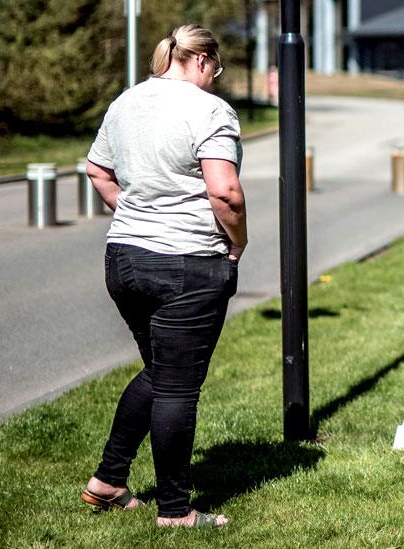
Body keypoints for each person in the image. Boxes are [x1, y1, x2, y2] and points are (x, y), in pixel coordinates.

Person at [78, 24, 246, 528]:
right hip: (187, 262)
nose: (213, 80)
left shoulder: (126, 103)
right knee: (177, 386)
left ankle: (107, 482)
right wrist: (237, 241)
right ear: (202, 61)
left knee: (159, 372)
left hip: (124, 257)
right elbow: (226, 192)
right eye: (214, 70)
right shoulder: (209, 109)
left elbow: (96, 170)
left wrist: (133, 212)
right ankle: (174, 511)